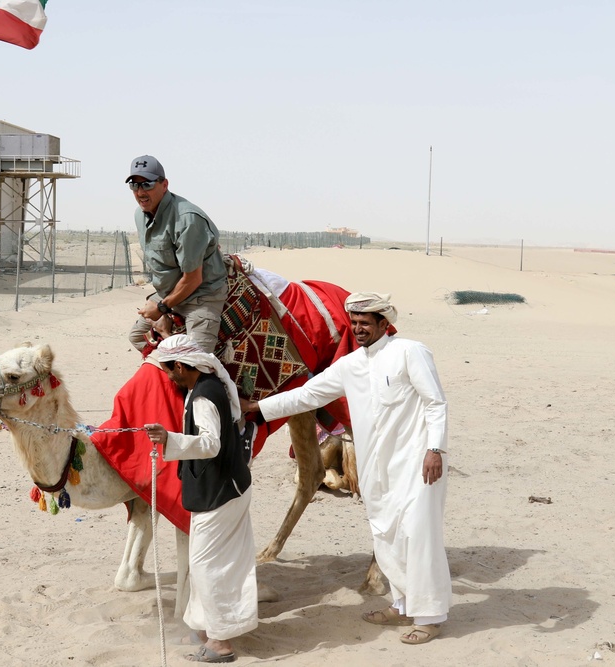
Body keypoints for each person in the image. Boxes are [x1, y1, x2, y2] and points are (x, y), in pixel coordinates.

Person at [241, 292, 451, 645]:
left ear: (384, 324)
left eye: (366, 323)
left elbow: (436, 402)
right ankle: (401, 606)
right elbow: (307, 395)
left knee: (418, 535)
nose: (358, 329)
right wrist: (258, 407)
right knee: (386, 536)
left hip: (416, 463)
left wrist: (435, 449)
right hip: (375, 467)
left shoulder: (410, 352)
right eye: (354, 323)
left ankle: (430, 616)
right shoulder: (351, 364)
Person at [144, 334, 257, 663]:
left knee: (208, 565)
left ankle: (221, 643)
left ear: (180, 365)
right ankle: (208, 630)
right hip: (223, 488)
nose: (168, 376)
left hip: (221, 493)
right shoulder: (204, 386)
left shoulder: (205, 395)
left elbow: (211, 444)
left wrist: (169, 439)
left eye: (168, 370)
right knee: (210, 562)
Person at [127, 155, 228, 355]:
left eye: (147, 184)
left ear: (164, 185)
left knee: (196, 362)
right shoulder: (140, 214)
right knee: (136, 337)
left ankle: (172, 348)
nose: (140, 192)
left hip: (201, 296)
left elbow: (193, 278)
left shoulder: (187, 219)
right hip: (169, 291)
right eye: (134, 185)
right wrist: (160, 301)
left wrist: (162, 309)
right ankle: (168, 361)